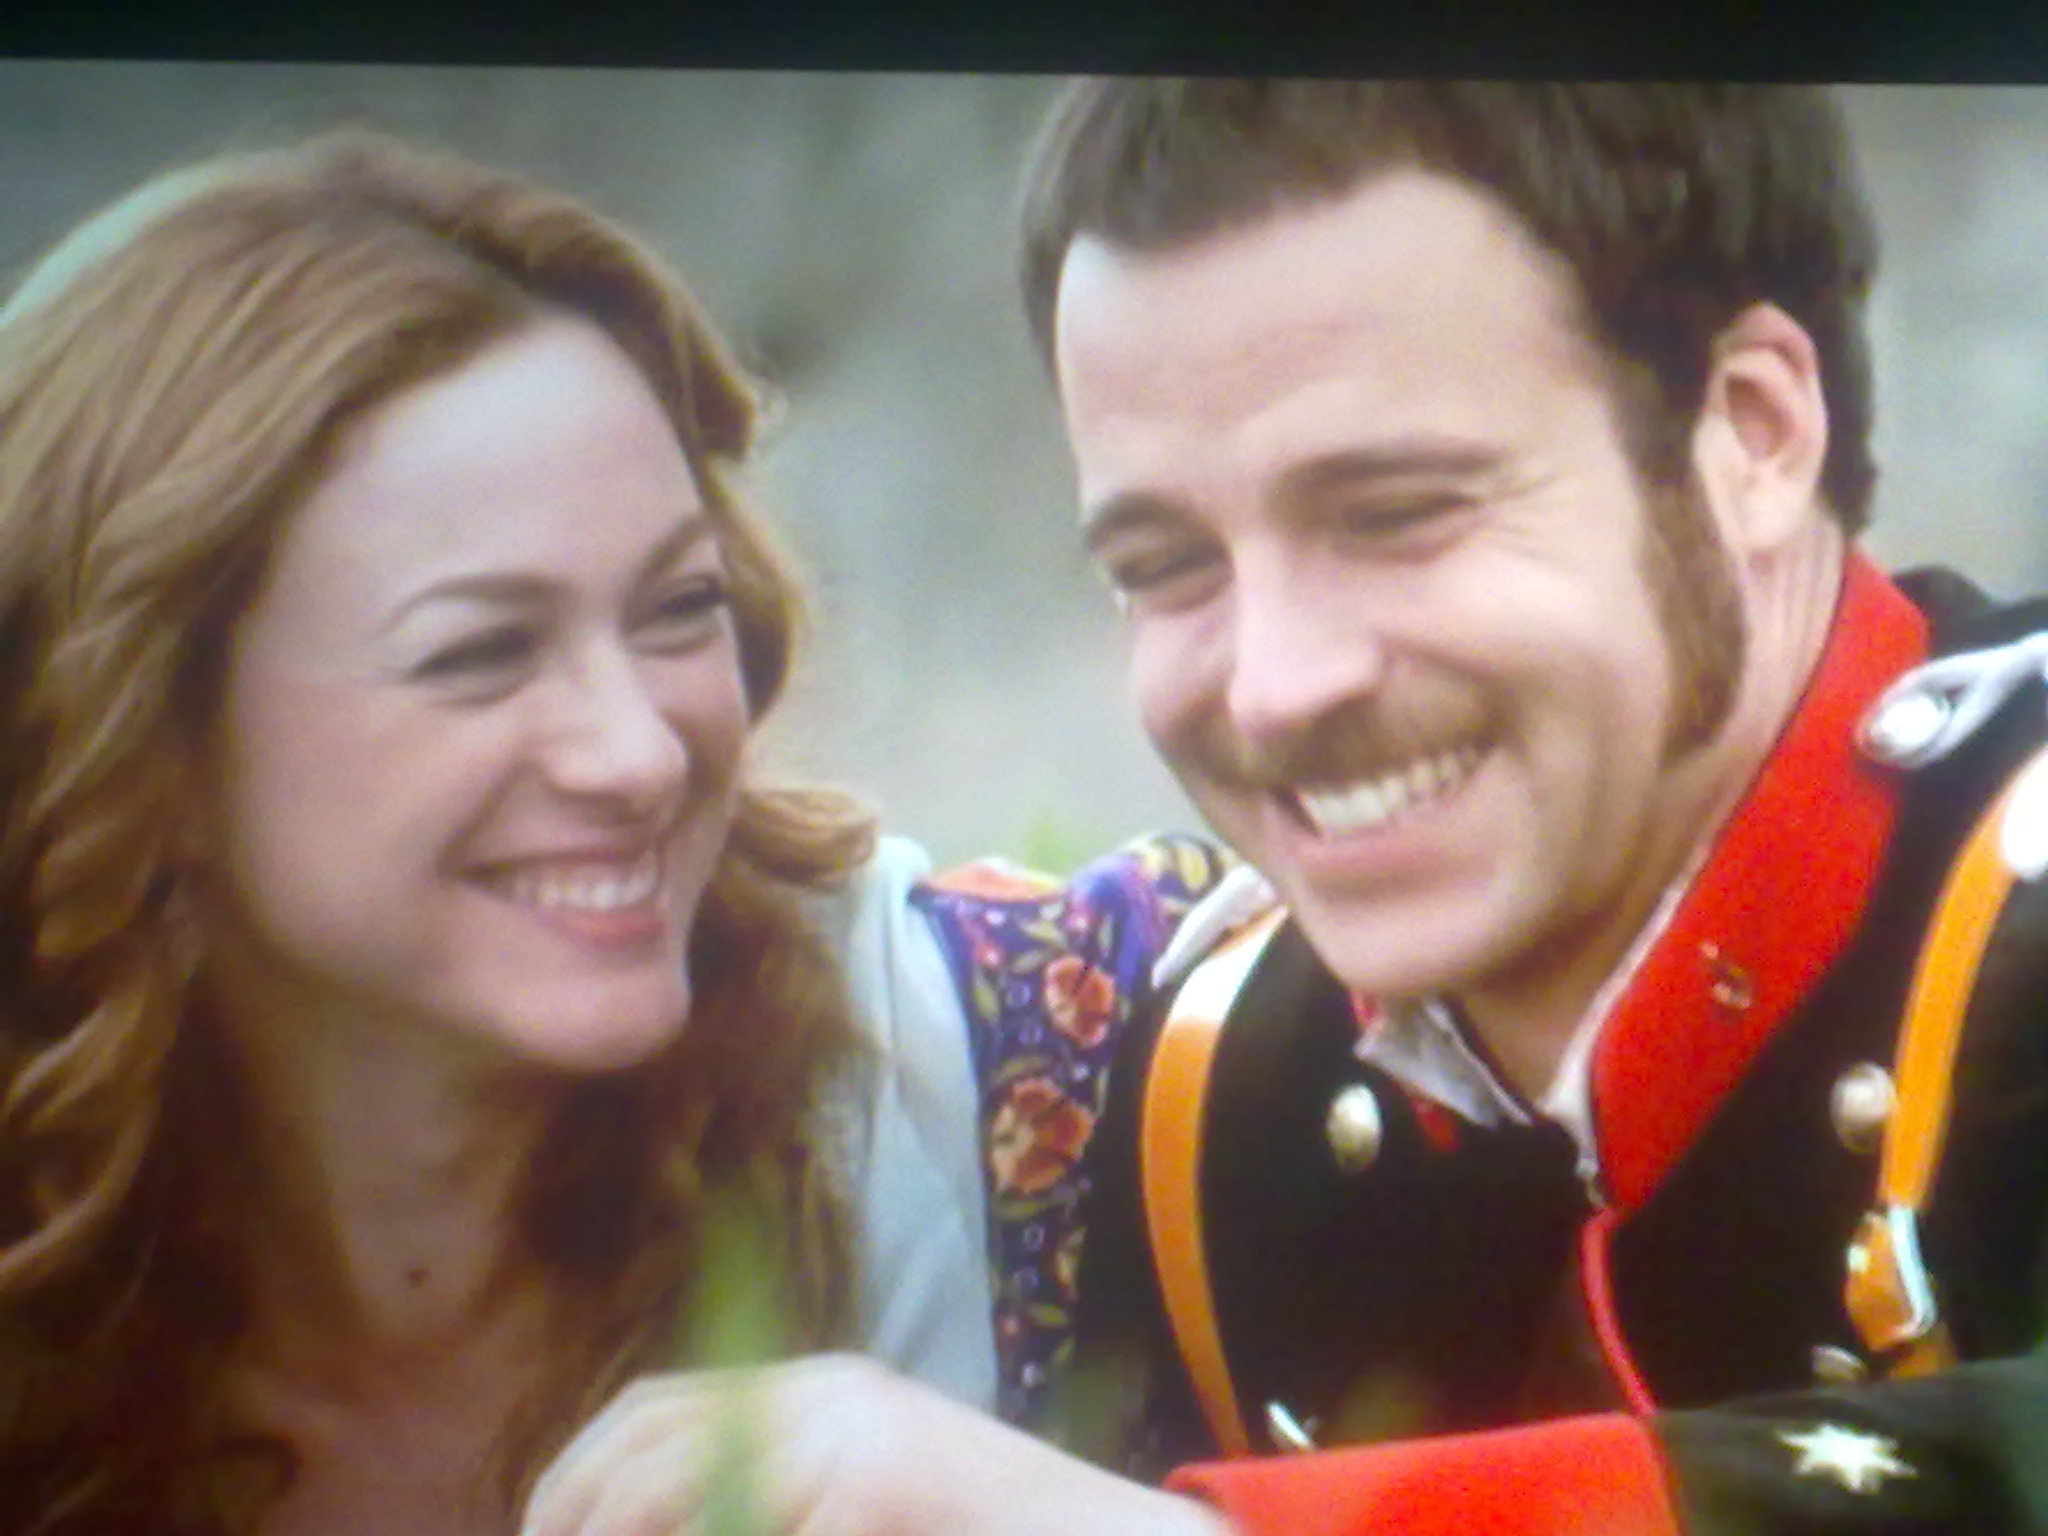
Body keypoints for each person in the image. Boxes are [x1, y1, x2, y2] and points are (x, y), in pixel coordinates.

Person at [523, 81, 2048, 1536]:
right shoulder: (1215, 1100)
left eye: (1396, 515)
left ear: (1755, 433)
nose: (1272, 688)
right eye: (1165, 567)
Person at [0, 128, 1223, 1536]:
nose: (640, 754)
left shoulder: (1056, 1067)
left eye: (678, 609)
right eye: (479, 653)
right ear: (142, 738)